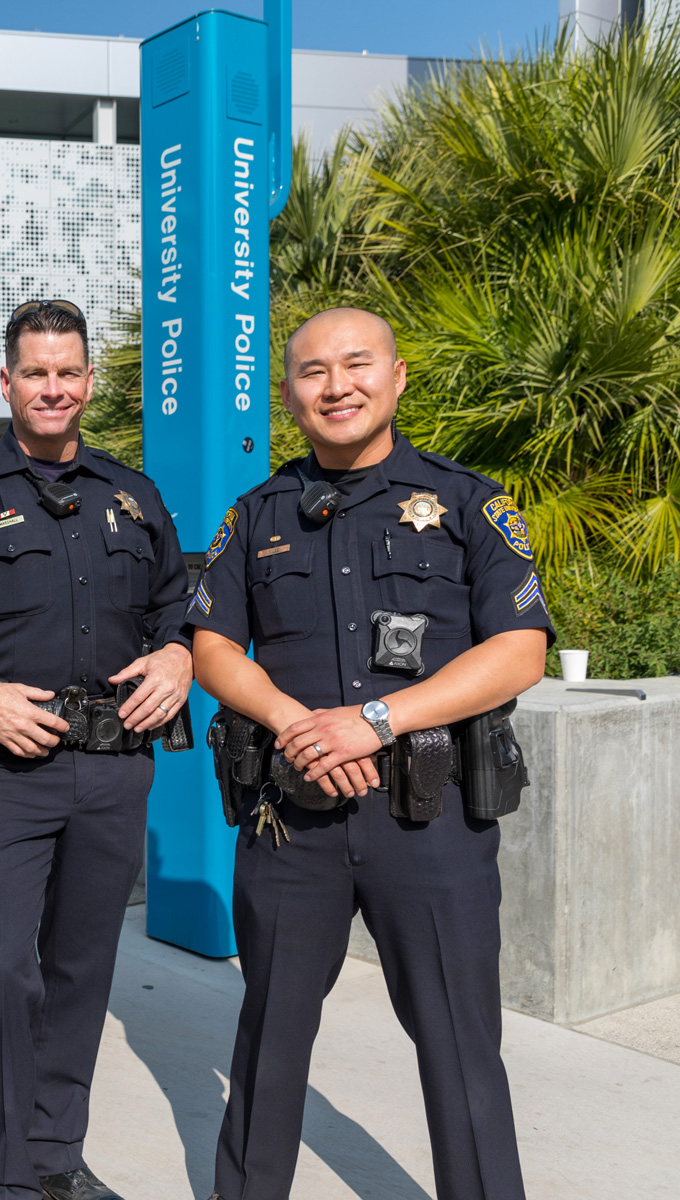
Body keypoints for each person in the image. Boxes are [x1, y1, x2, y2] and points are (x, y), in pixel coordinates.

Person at [187, 307, 550, 1200]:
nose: (336, 385)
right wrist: (296, 723)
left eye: (356, 365)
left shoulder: (469, 503)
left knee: (461, 1047)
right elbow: (210, 647)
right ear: (289, 394)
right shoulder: (259, 512)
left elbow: (519, 651)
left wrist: (375, 721)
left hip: (428, 828)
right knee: (269, 1041)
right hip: (292, 824)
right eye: (313, 371)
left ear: (395, 378)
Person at [0, 299, 193, 1200]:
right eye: (36, 372)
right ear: (6, 382)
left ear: (88, 382)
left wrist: (176, 654)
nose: (53, 388)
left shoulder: (134, 495)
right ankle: (1, 1173)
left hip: (113, 766)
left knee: (81, 971)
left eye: (68, 372)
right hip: (4, 775)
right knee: (3, 969)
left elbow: (180, 606)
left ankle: (55, 1160)